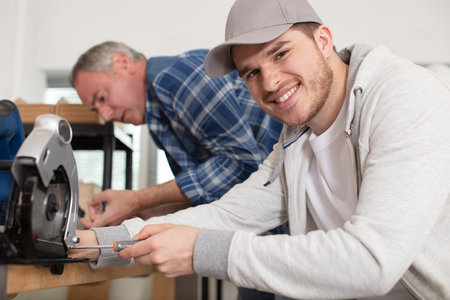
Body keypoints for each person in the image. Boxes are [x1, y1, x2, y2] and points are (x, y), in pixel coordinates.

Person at [70, 0, 450, 299]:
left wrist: (204, 250)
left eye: (281, 53)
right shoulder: (294, 138)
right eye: (251, 72)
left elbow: (372, 260)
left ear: (323, 40)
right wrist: (100, 242)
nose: (269, 82)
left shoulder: (404, 96)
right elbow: (230, 214)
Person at [71, 42, 283, 299]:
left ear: (123, 63)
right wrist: (144, 213)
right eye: (96, 110)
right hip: (258, 229)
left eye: (102, 98)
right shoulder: (160, 119)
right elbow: (217, 189)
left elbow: (241, 165)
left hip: (286, 223)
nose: (106, 115)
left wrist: (137, 199)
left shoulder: (177, 77)